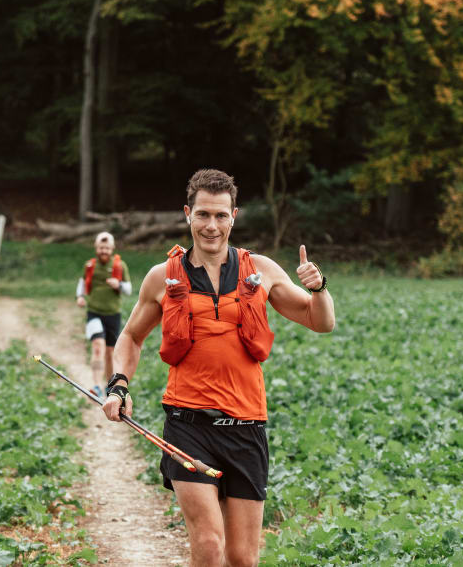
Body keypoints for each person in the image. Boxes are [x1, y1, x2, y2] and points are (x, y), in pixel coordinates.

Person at [101, 169, 335, 567]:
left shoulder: (260, 269)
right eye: (203, 215)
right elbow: (131, 337)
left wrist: (318, 288)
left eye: (221, 215)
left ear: (234, 217)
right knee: (209, 546)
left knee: (242, 558)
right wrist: (119, 385)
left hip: (246, 427)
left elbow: (320, 321)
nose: (212, 225)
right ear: (188, 214)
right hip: (188, 426)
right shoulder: (162, 276)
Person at [76, 231, 132, 397]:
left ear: (112, 248)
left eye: (107, 248)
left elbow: (129, 289)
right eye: (101, 248)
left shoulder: (120, 266)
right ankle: (95, 386)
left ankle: (109, 386)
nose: (104, 251)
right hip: (94, 312)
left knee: (109, 353)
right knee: (97, 347)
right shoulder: (89, 266)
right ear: (96, 248)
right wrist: (80, 296)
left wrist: (118, 285)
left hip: (113, 314)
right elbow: (82, 283)